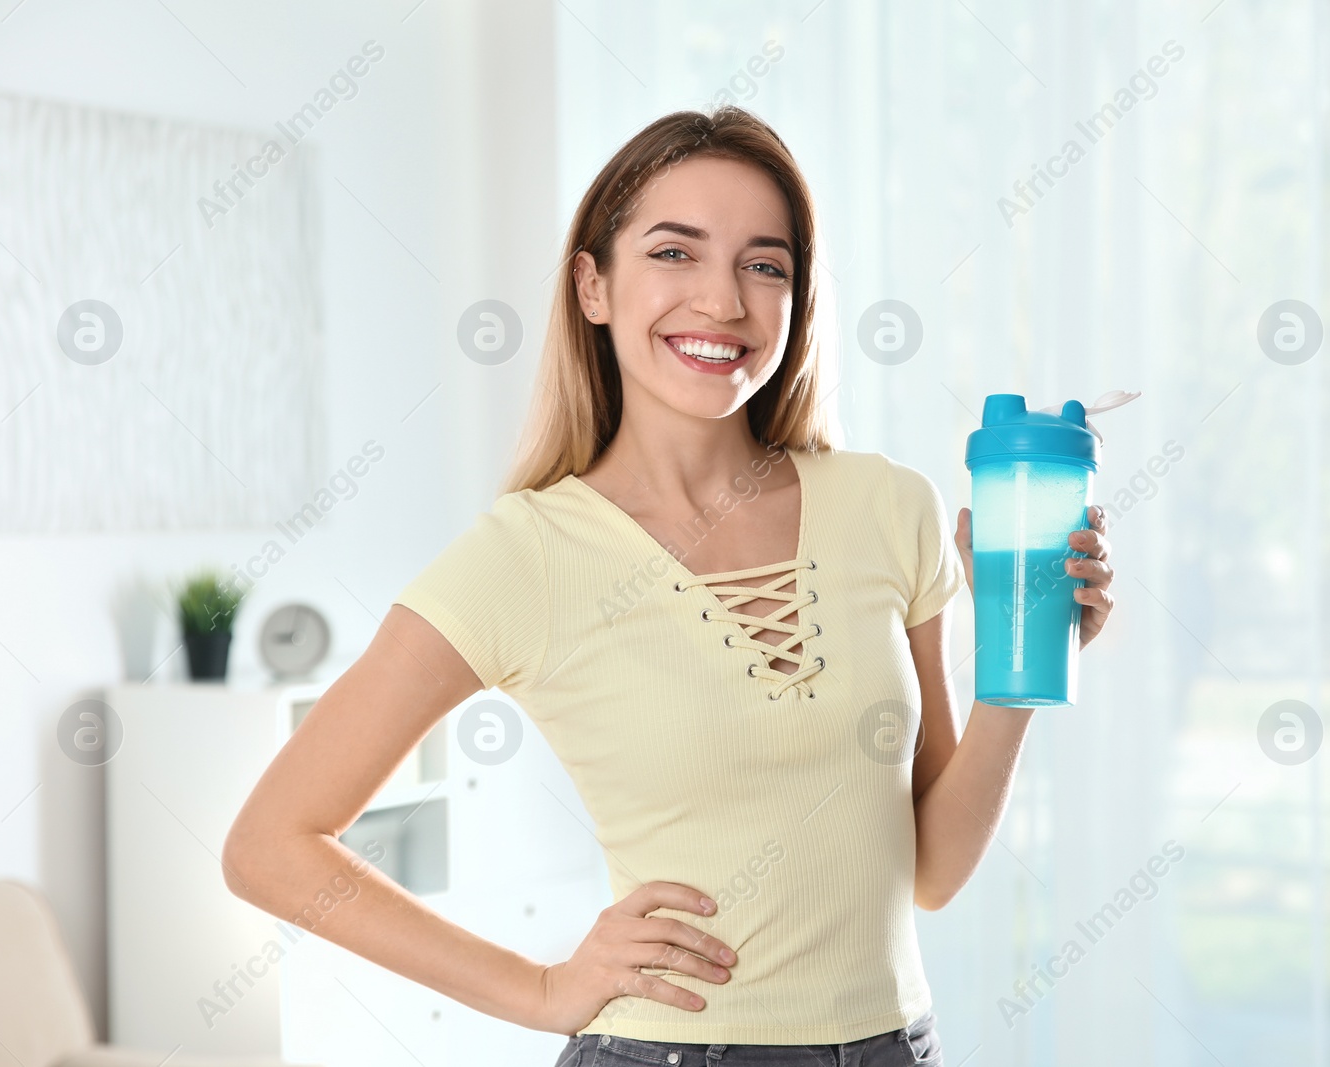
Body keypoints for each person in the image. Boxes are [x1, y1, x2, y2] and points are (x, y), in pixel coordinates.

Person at [223, 105, 1116, 1067]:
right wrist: (540, 989)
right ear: (592, 285)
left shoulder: (890, 507)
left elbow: (932, 870)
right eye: (675, 254)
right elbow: (270, 845)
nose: (724, 302)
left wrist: (1024, 659)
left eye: (764, 264)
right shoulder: (526, 554)